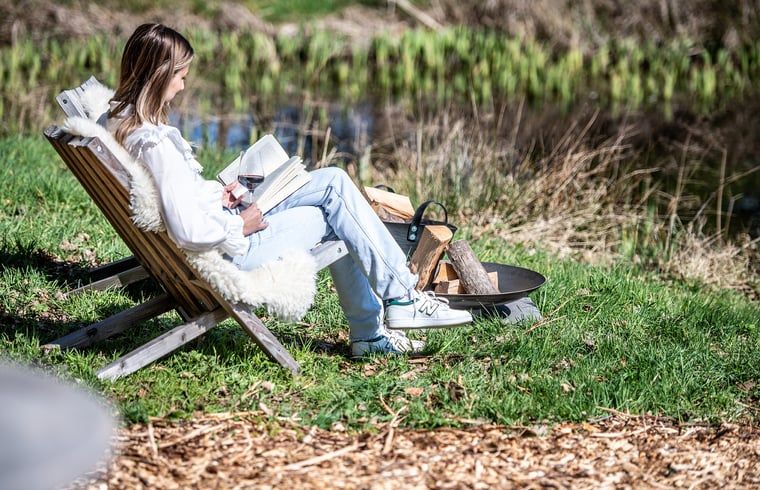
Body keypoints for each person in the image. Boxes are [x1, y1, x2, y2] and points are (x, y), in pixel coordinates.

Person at [105, 23, 473, 359]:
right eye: (180, 76)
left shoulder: (126, 125)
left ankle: (390, 311)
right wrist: (240, 225)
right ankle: (393, 310)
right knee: (338, 215)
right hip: (233, 250)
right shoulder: (154, 144)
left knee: (334, 182)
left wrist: (218, 197)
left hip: (223, 225)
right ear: (158, 74)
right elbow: (188, 231)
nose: (183, 86)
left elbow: (179, 201)